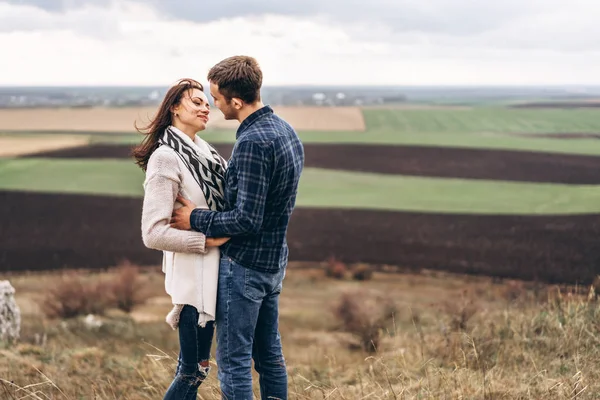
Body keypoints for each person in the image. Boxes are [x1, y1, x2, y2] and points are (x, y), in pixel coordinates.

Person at [171, 56, 304, 399]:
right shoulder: (285, 131)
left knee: (233, 361)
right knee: (270, 357)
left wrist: (193, 218)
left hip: (245, 267)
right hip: (274, 262)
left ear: (236, 101)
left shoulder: (252, 142)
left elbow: (247, 218)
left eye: (216, 98)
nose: (213, 105)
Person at [133, 78, 229, 399]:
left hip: (214, 277)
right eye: (196, 102)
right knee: (193, 371)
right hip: (193, 283)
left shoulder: (208, 155)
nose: (206, 108)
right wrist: (207, 241)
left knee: (192, 370)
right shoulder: (166, 158)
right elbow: (153, 232)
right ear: (175, 108)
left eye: (207, 102)